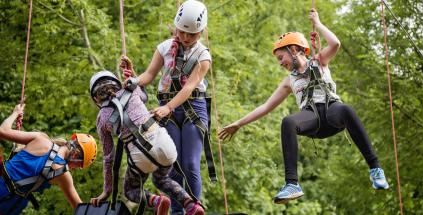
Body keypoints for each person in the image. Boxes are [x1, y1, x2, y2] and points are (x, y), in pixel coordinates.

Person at [218, 8, 389, 204]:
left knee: (347, 109)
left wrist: (318, 23)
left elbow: (336, 43)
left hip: (333, 112)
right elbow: (265, 107)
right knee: (288, 122)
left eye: (281, 57)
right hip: (312, 119)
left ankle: (375, 169)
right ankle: (292, 184)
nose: (280, 63)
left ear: (293, 50)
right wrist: (238, 124)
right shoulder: (288, 81)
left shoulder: (320, 61)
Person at [121, 0, 212, 214]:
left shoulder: (203, 56)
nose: (186, 38)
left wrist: (168, 107)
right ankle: (177, 212)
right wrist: (134, 80)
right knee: (172, 163)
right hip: (166, 108)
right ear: (176, 27)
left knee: (189, 163)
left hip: (193, 109)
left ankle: (193, 208)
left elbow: (189, 86)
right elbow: (150, 75)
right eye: (182, 32)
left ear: (201, 32)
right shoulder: (164, 48)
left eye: (192, 34)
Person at [89, 70, 204, 215]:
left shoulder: (101, 119)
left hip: (140, 156)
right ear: (117, 84)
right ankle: (191, 205)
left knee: (131, 190)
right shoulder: (131, 90)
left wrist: (107, 191)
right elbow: (144, 96)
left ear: (96, 98)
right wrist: (134, 78)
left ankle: (156, 201)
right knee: (161, 179)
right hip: (165, 145)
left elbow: (108, 159)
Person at [0, 103, 97, 214]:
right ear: (75, 155)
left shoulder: (41, 137)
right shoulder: (62, 172)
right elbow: (80, 209)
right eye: (79, 165)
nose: (75, 168)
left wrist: (15, 112)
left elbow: (2, 131)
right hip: (5, 200)